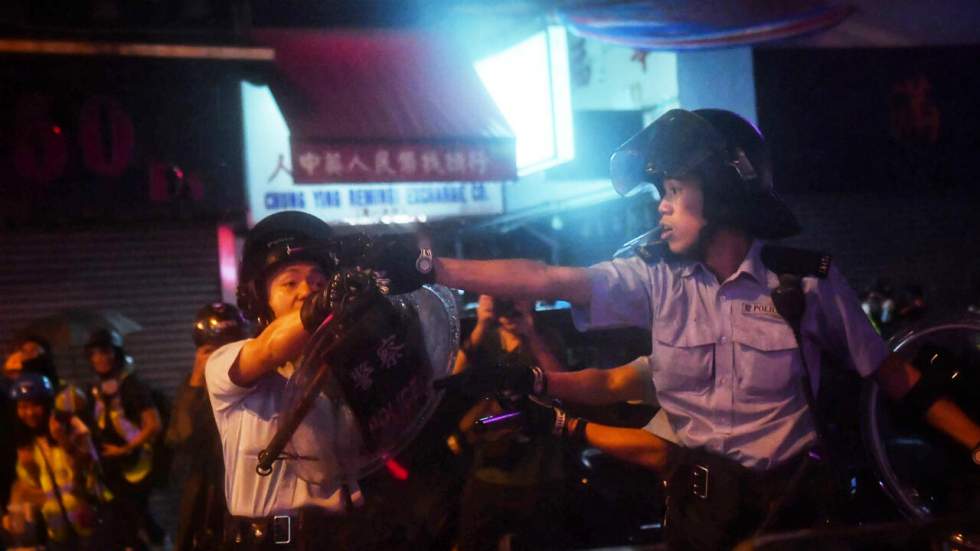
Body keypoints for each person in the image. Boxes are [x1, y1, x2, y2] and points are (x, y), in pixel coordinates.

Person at [389, 108, 980, 549]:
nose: (660, 207)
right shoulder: (655, 280)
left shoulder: (804, 284)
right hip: (699, 517)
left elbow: (891, 371)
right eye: (660, 194)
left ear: (721, 194)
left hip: (795, 517)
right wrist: (429, 268)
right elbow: (549, 277)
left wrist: (975, 441)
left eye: (673, 191)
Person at [205, 211, 364, 550]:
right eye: (290, 283)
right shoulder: (226, 361)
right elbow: (267, 349)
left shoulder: (349, 368)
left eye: (320, 283)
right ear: (260, 300)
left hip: (341, 537)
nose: (308, 292)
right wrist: (326, 303)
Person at [452, 295, 568, 551]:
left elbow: (564, 385)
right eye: (503, 297)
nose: (510, 305)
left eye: (515, 295)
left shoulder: (546, 338)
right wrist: (482, 325)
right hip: (489, 468)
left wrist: (531, 334)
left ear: (531, 300)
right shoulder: (486, 340)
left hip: (539, 470)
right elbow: (454, 379)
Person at [166, 303, 248, 551]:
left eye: (229, 348)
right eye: (215, 350)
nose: (222, 358)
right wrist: (196, 380)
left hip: (247, 492)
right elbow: (180, 438)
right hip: (206, 499)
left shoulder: (253, 380)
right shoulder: (193, 389)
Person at [3, 372, 109, 550]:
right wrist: (15, 512)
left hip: (90, 522)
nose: (29, 413)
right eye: (22, 406)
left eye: (35, 405)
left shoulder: (73, 428)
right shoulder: (26, 442)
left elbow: (92, 466)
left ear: (48, 404)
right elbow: (29, 489)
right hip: (57, 530)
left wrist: (64, 442)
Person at [85, 328, 163, 549]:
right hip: (111, 468)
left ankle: (159, 543)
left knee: (134, 519)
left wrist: (126, 449)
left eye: (106, 351)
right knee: (125, 521)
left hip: (135, 466)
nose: (101, 358)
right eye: (95, 353)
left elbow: (154, 425)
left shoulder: (132, 385)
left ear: (116, 353)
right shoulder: (96, 388)